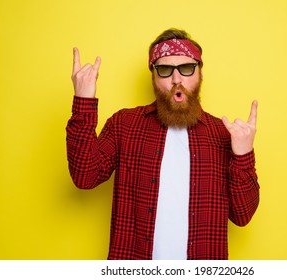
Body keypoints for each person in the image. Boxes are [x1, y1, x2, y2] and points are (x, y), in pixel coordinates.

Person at [66, 28, 260, 260]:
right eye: (165, 70)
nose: (176, 79)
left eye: (186, 68)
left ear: (199, 74)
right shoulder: (125, 125)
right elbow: (84, 177)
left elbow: (243, 215)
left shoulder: (223, 134)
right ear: (153, 77)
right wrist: (83, 102)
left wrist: (243, 156)